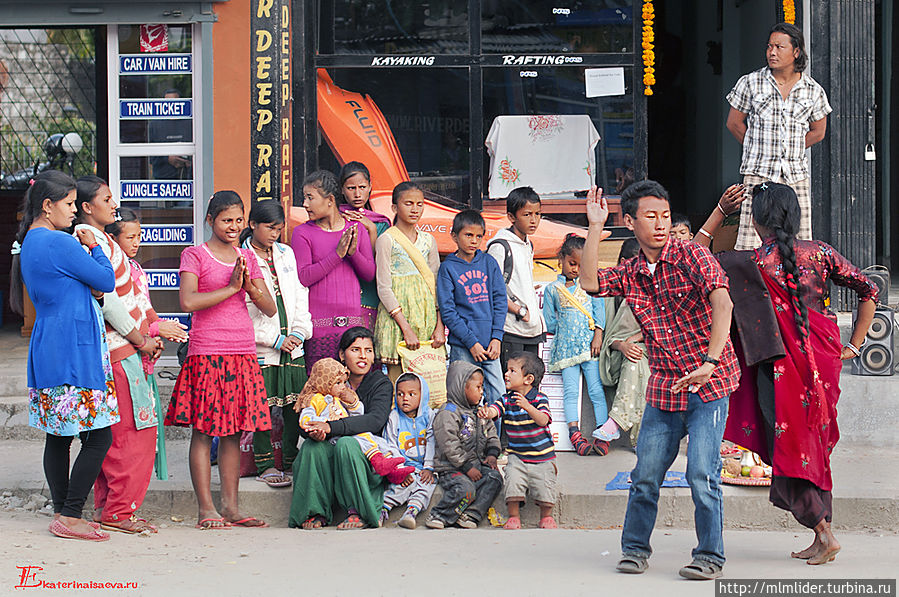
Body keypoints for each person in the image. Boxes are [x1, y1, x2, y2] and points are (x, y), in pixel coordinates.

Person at [698, 182, 878, 565]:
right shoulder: (822, 252)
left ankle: (823, 531)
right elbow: (869, 290)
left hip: (779, 368)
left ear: (758, 220)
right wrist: (855, 345)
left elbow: (696, 256)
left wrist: (719, 212)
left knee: (790, 449)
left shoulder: (749, 263)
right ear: (794, 217)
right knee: (812, 446)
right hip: (824, 364)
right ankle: (821, 532)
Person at [581, 180, 740, 580]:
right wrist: (596, 226)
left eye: (665, 215)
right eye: (650, 216)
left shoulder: (692, 255)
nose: (660, 224)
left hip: (710, 381)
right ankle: (634, 550)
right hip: (665, 386)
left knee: (702, 474)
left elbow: (724, 302)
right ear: (630, 221)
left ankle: (709, 556)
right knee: (645, 475)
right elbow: (588, 283)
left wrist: (710, 359)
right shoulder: (632, 272)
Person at [14, 171, 117, 542]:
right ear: (47, 205)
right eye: (70, 204)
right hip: (73, 349)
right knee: (99, 436)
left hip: (50, 345)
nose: (75, 213)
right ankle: (71, 514)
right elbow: (105, 281)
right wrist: (94, 245)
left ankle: (63, 511)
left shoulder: (31, 242)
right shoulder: (60, 243)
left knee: (58, 436)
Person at [165, 190, 276, 530]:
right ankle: (206, 509)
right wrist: (231, 289)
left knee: (233, 432)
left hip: (242, 350)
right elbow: (187, 302)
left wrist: (249, 287)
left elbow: (269, 308)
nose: (234, 226)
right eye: (226, 220)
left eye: (239, 220)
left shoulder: (248, 257)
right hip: (207, 350)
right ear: (210, 220)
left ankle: (231, 506)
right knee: (203, 431)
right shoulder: (194, 255)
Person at [74, 176, 164, 535]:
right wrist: (141, 339)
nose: (114, 204)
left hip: (121, 349)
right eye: (107, 199)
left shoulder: (103, 240)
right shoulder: (90, 240)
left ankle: (108, 507)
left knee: (118, 432)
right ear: (86, 207)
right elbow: (107, 299)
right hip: (120, 351)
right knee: (134, 432)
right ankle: (117, 511)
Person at [725, 22, 832, 250]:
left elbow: (819, 131)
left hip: (795, 176)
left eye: (779, 47)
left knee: (799, 240)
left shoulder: (813, 90)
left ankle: (796, 284)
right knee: (750, 242)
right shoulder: (750, 83)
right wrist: (756, 147)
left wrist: (791, 149)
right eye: (769, 46)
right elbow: (734, 123)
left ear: (796, 51)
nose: (772, 52)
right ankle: (755, 285)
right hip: (758, 174)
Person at [106, 208, 190, 483]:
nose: (136, 242)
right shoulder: (110, 271)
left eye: (139, 236)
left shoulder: (136, 268)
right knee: (126, 434)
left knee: (143, 429)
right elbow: (117, 312)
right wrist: (152, 331)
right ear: (112, 239)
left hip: (143, 356)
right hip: (123, 355)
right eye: (129, 237)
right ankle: (116, 507)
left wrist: (157, 331)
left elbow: (144, 308)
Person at [288, 327, 394, 530]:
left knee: (347, 444)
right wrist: (315, 431)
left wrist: (330, 426)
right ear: (341, 354)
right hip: (329, 449)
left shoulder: (380, 382)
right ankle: (314, 511)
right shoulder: (325, 379)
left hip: (366, 453)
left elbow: (374, 420)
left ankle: (360, 511)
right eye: (355, 349)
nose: (363, 356)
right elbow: (305, 415)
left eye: (368, 350)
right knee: (312, 448)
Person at [239, 200, 312, 489]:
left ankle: (292, 459)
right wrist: (273, 339)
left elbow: (299, 293)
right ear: (253, 224)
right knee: (261, 406)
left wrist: (299, 331)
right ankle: (265, 463)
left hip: (293, 343)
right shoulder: (240, 256)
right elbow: (241, 308)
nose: (275, 234)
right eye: (270, 228)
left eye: (280, 229)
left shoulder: (286, 253)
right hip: (263, 347)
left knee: (295, 403)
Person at [292, 170, 376, 370]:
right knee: (321, 391)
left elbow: (369, 275)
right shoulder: (302, 233)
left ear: (330, 200)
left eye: (310, 198)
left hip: (353, 328)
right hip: (319, 330)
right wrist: (337, 255)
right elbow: (303, 277)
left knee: (352, 391)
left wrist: (353, 253)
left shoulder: (356, 229)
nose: (305, 204)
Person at [542, 233, 610, 456]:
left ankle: (602, 432)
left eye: (582, 265)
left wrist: (597, 335)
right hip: (566, 350)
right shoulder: (553, 289)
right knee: (570, 392)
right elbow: (550, 320)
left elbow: (600, 312)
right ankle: (575, 434)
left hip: (591, 348)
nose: (576, 269)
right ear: (561, 259)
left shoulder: (592, 285)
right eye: (572, 263)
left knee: (596, 391)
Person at [296, 358, 413, 484]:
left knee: (381, 443)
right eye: (338, 383)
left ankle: (396, 470)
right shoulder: (315, 399)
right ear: (325, 382)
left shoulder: (339, 398)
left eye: (344, 382)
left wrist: (353, 403)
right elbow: (306, 418)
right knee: (363, 441)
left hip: (348, 431)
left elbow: (357, 414)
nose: (342, 387)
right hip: (337, 438)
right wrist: (319, 425)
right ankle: (379, 462)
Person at [373, 182, 445, 380]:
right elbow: (384, 287)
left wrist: (440, 326)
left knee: (428, 381)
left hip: (426, 318)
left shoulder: (428, 240)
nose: (415, 209)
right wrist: (406, 328)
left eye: (419, 204)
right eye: (408, 203)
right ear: (395, 207)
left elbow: (437, 284)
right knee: (399, 383)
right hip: (397, 320)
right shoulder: (387, 240)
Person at [437, 209, 507, 410]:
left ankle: (493, 441)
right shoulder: (448, 268)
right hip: (463, 346)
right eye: (468, 235)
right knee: (463, 398)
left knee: (497, 395)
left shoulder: (488, 262)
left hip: (490, 344)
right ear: (454, 236)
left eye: (479, 236)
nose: (474, 241)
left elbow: (500, 301)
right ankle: (467, 441)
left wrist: (497, 337)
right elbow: (448, 311)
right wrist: (471, 343)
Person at [479, 352, 557, 530]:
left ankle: (546, 516)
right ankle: (514, 516)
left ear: (528, 379)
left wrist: (528, 407)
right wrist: (487, 413)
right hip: (517, 457)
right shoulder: (507, 399)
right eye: (507, 370)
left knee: (545, 487)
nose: (506, 374)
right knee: (513, 482)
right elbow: (495, 410)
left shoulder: (539, 399)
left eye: (512, 371)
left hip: (542, 457)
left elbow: (543, 420)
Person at [427, 361, 503, 529]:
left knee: (495, 478)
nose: (482, 391)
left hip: (475, 465)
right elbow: (450, 445)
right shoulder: (448, 413)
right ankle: (439, 514)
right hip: (451, 468)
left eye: (482, 387)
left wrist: (491, 455)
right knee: (466, 489)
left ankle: (471, 514)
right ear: (461, 387)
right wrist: (467, 466)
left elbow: (491, 435)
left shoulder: (480, 412)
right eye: (478, 387)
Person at [487, 186, 546, 370]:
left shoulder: (528, 244)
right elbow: (492, 288)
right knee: (512, 382)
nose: (534, 220)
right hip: (512, 328)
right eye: (527, 214)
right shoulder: (500, 246)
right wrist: (519, 310)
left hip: (531, 328)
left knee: (529, 381)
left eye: (538, 214)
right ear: (512, 217)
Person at [597, 239, 649, 448]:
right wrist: (621, 345)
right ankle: (640, 440)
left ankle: (615, 422)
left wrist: (634, 340)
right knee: (635, 359)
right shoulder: (608, 291)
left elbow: (660, 327)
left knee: (637, 362)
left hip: (646, 351)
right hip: (613, 355)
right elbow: (608, 334)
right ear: (623, 262)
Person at [379, 373, 438, 529]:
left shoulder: (430, 416)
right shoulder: (394, 417)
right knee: (400, 486)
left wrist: (429, 467)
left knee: (426, 485)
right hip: (404, 467)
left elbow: (432, 442)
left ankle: (412, 511)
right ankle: (383, 509)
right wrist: (400, 470)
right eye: (400, 394)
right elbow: (390, 444)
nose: (405, 398)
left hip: (424, 468)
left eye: (411, 394)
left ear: (422, 395)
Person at [338, 161, 392, 329]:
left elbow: (380, 264)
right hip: (342, 293)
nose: (357, 194)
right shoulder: (335, 219)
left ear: (370, 187)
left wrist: (371, 229)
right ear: (342, 189)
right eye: (351, 188)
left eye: (362, 187)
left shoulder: (381, 223)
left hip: (371, 294)